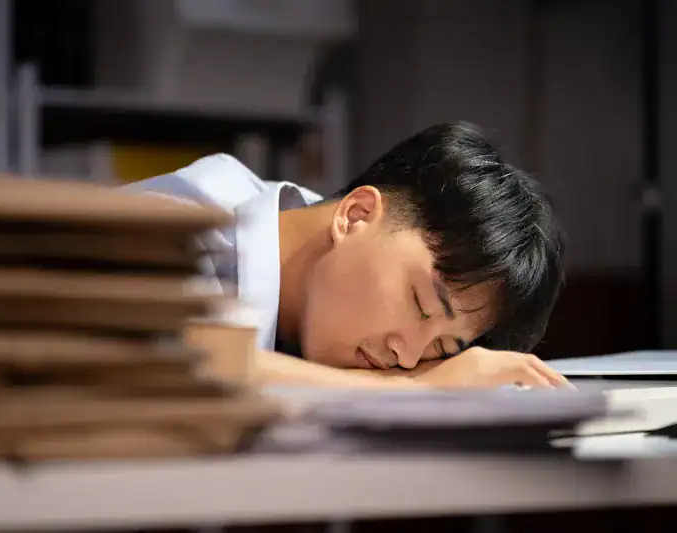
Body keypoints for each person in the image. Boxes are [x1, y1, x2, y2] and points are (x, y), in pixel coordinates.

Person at [124, 122, 570, 389]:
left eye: (441, 347)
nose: (407, 358)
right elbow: (178, 358)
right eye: (421, 304)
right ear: (356, 216)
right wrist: (417, 391)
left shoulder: (321, 262)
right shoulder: (179, 227)